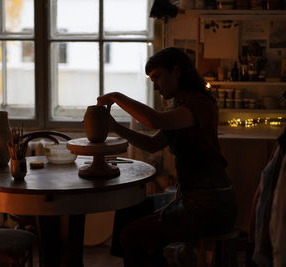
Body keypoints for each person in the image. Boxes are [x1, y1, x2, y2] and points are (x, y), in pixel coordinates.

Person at [96, 47, 237, 267]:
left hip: (211, 207)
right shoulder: (180, 107)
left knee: (130, 235)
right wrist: (116, 128)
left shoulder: (199, 104)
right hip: (190, 199)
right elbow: (153, 144)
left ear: (177, 71)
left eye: (157, 77)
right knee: (128, 210)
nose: (155, 85)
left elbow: (154, 120)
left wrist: (116, 97)